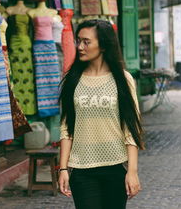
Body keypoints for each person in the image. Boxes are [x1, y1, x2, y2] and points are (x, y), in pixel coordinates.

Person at [58, 19, 144, 209]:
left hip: (115, 169)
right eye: (78, 41)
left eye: (86, 42)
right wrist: (63, 168)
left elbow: (131, 128)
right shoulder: (73, 80)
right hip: (81, 170)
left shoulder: (123, 79)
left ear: (103, 45)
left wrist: (132, 171)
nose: (80, 47)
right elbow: (66, 127)